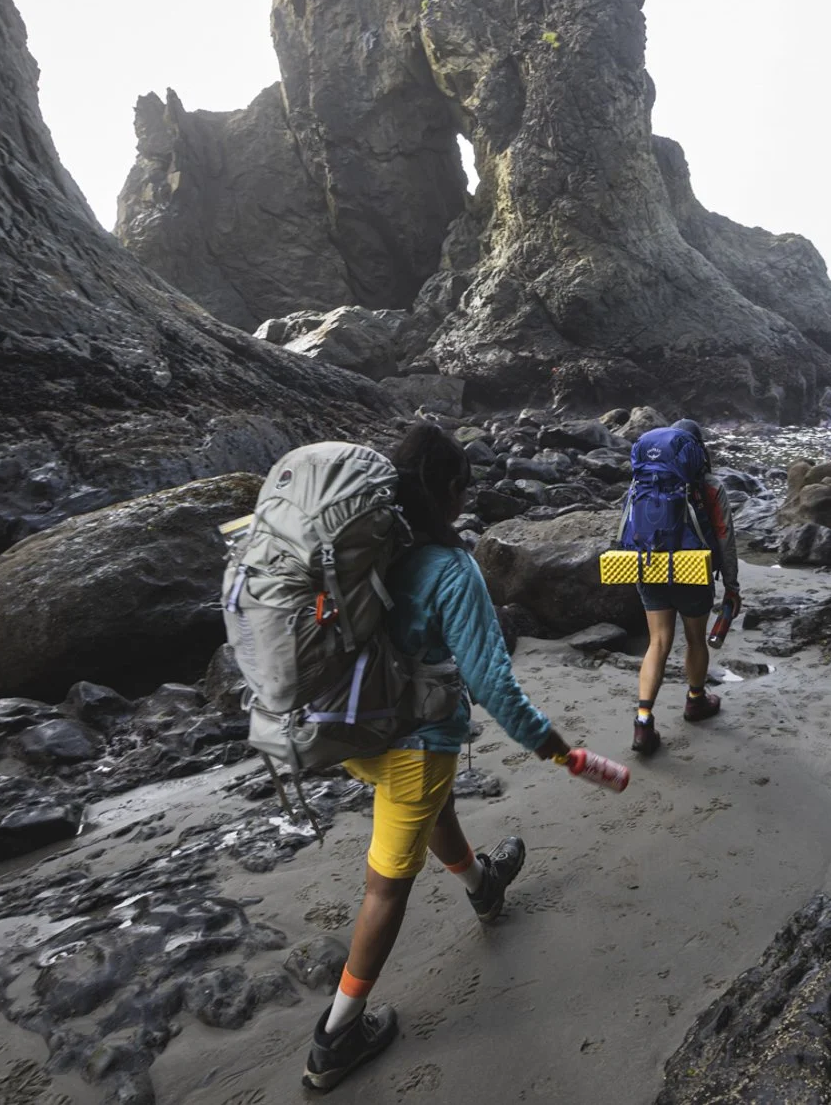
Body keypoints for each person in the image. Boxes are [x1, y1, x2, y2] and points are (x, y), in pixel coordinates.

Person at [305, 421, 573, 1092]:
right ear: (451, 492)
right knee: (385, 885)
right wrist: (545, 739)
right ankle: (337, 1036)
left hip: (351, 727)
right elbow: (490, 680)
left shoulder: (370, 547)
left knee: (435, 809)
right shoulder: (452, 570)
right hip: (412, 744)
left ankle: (484, 887)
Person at [631, 418, 741, 756]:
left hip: (649, 567)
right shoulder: (709, 486)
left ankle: (643, 722)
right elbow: (724, 536)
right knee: (695, 639)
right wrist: (732, 585)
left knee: (658, 642)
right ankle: (696, 701)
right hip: (692, 570)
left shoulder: (642, 480)